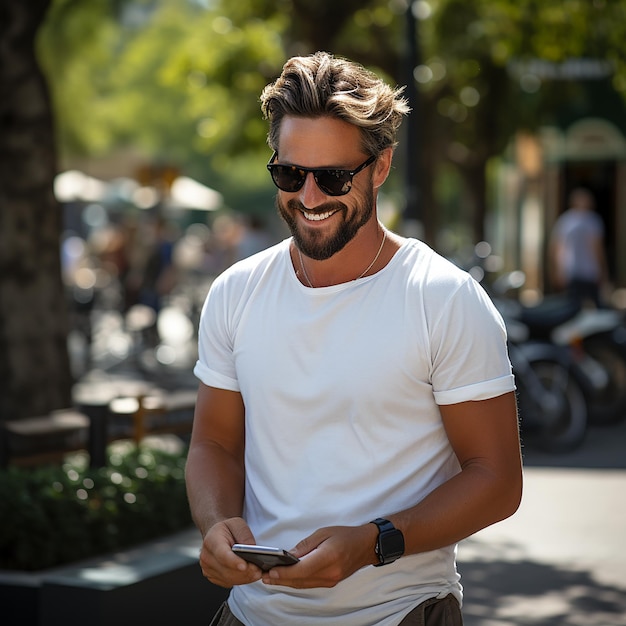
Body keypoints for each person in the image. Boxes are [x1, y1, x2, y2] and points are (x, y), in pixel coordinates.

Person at [186, 51, 522, 626]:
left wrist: (373, 543)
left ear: (381, 166)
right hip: (250, 615)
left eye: (334, 177)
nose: (310, 197)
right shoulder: (235, 292)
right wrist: (216, 525)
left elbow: (496, 480)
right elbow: (214, 445)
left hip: (399, 612)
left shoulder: (443, 298)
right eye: (290, 174)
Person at [549, 187, 608, 308]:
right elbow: (597, 248)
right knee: (593, 306)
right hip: (587, 271)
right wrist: (603, 270)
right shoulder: (592, 220)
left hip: (575, 271)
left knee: (573, 305)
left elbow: (557, 247)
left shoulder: (565, 220)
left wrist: (558, 270)